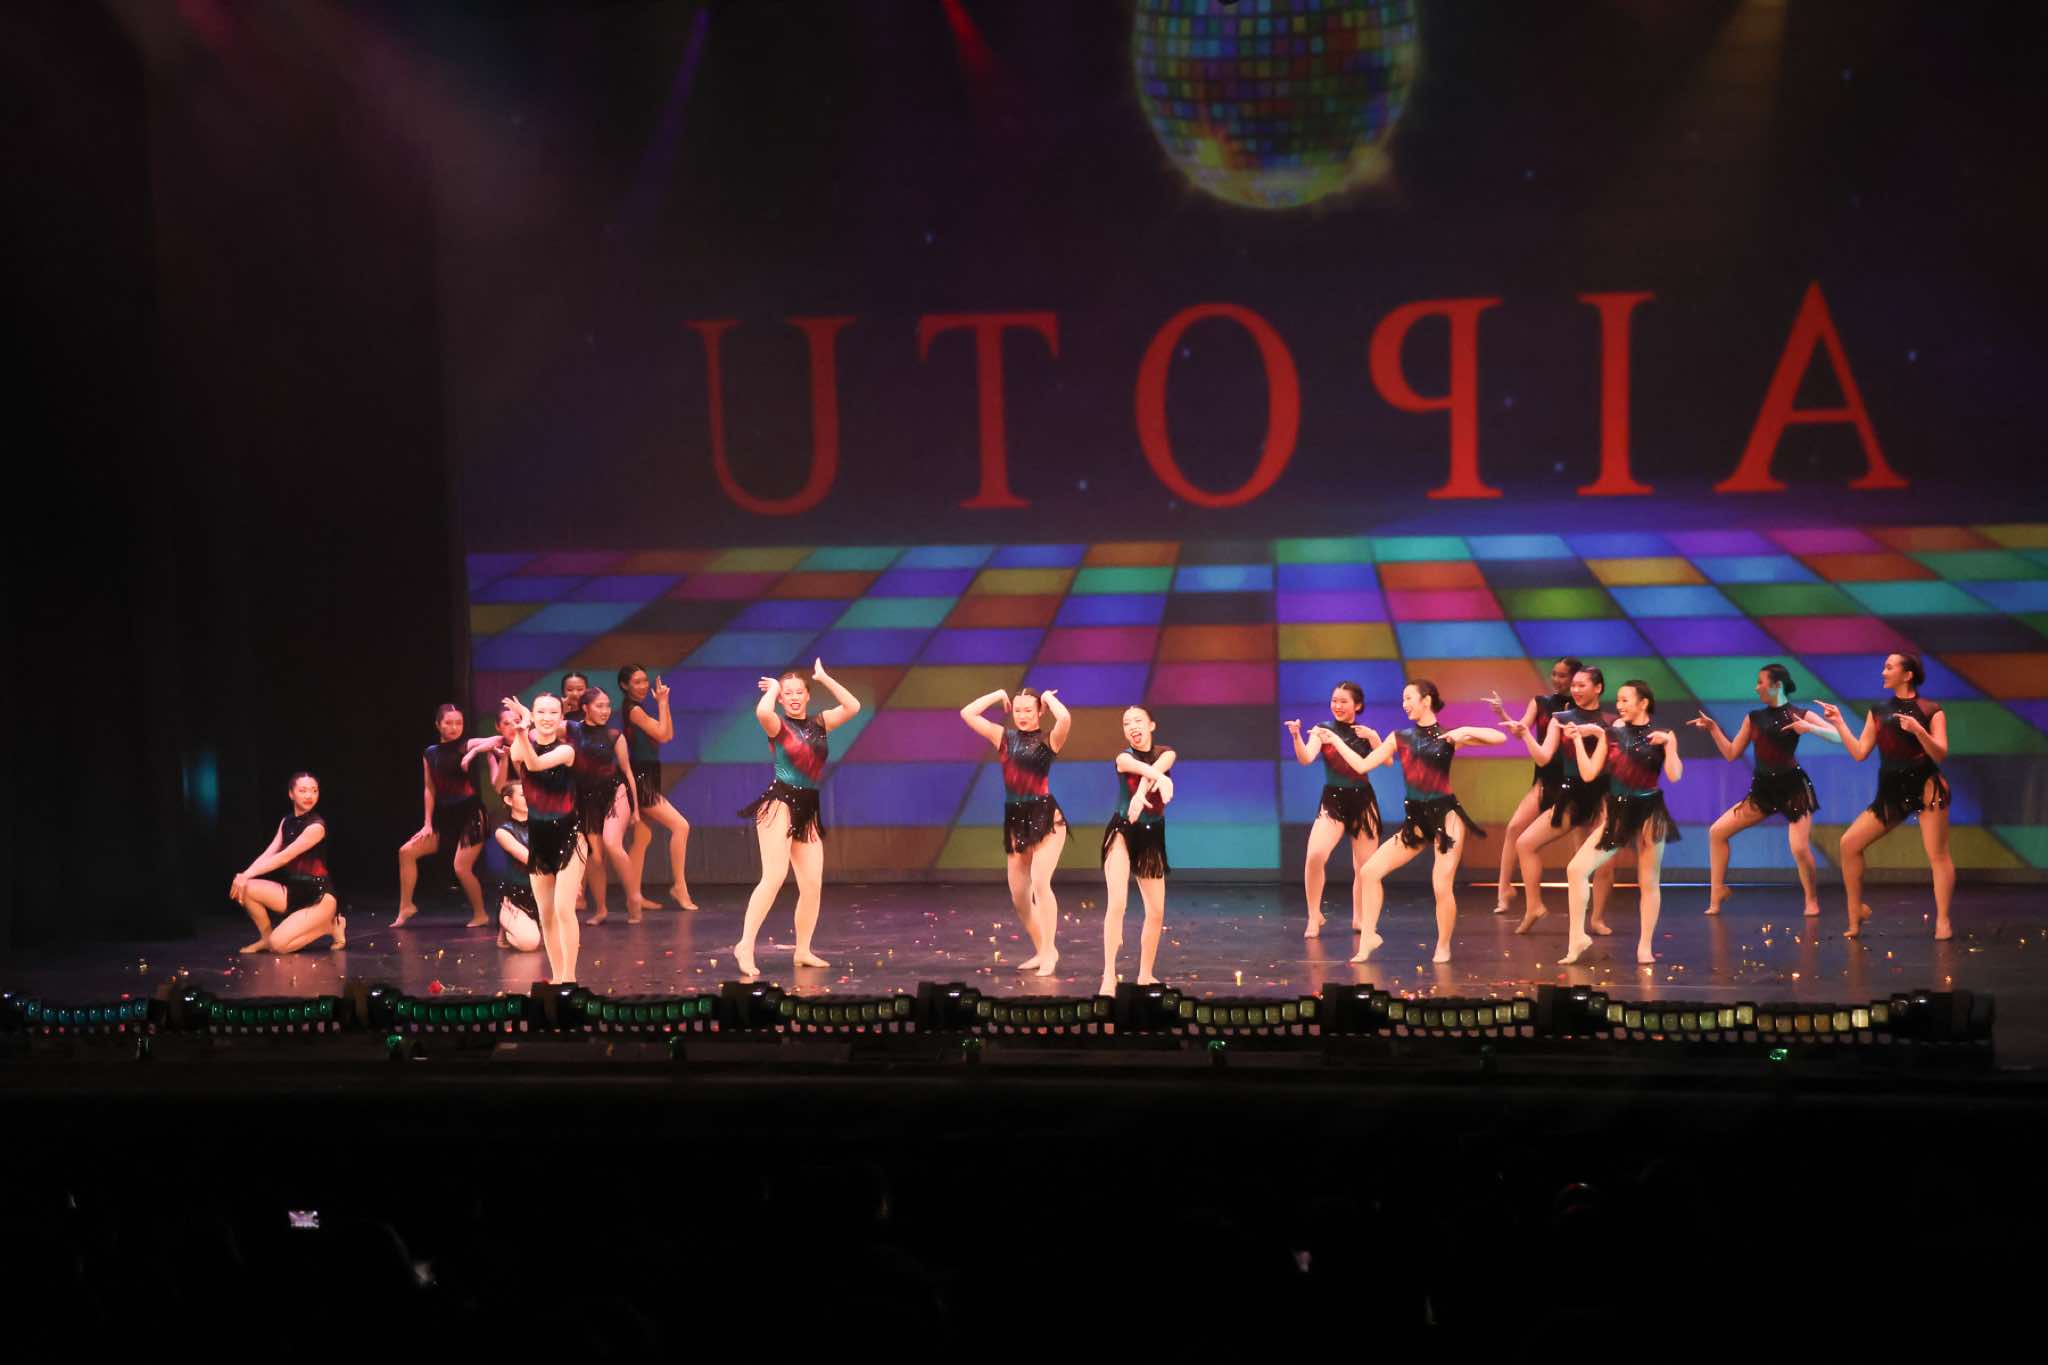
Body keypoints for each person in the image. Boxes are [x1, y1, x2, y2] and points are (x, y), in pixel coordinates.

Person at [1343, 681, 1505, 964]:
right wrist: (1336, 742)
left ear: (1426, 700)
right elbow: (1362, 765)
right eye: (1403, 699)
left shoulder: (1448, 737)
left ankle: (1443, 946)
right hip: (1416, 821)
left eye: (1409, 698)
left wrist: (1465, 731)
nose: (1404, 704)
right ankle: (1368, 937)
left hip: (1447, 817)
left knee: (1441, 885)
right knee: (1369, 872)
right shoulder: (1399, 737)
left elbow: (1499, 738)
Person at [730, 660, 861, 978]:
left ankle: (803, 950)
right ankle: (744, 945)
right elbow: (762, 712)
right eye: (787, 693)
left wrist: (824, 678)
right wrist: (773, 689)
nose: (793, 697)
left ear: (807, 695)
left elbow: (853, 706)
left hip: (808, 808)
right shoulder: (777, 725)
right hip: (780, 803)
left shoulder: (821, 723)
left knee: (812, 884)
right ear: (781, 698)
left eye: (798, 692)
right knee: (774, 877)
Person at [1818, 653, 1955, 940]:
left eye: (1889, 667)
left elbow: (1940, 753)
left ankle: (1943, 920)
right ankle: (1855, 912)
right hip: (1891, 792)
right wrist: (1840, 722)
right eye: (1884, 667)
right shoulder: (1878, 711)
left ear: (1907, 674)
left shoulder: (1931, 710)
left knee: (1938, 854)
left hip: (1927, 788)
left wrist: (1919, 731)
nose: (1883, 672)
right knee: (1849, 844)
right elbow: (1860, 753)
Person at [1687, 663, 1839, 918]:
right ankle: (1717, 892)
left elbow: (1838, 736)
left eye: (1760, 682)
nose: (1756, 688)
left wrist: (1810, 728)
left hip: (1794, 790)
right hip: (1763, 792)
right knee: (1717, 832)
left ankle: (1811, 899)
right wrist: (1713, 728)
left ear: (1777, 685)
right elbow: (1731, 753)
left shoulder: (1798, 714)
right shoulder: (1754, 718)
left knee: (1799, 848)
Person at [1559, 681, 1683, 966]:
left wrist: (1670, 746)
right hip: (1617, 811)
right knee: (1576, 869)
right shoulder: (1612, 733)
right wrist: (1577, 740)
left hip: (1649, 811)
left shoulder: (1663, 734)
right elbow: (1589, 774)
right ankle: (1577, 938)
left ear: (1643, 703)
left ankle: (1645, 946)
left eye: (1625, 700)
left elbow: (1675, 775)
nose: (1619, 705)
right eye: (1618, 700)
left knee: (1648, 881)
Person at [961, 685, 1071, 976]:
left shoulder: (1049, 740)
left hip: (1046, 818)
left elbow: (1065, 719)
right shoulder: (1004, 737)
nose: (1022, 715)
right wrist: (997, 695)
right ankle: (1043, 949)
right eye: (1018, 710)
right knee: (1020, 896)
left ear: (1039, 712)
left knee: (1040, 882)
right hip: (1016, 820)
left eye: (1028, 710)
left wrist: (1048, 699)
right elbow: (968, 713)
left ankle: (1049, 952)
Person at [1506, 665, 1618, 936]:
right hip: (1571, 795)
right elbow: (1544, 757)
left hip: (1603, 795)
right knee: (1524, 843)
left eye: (1582, 685)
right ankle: (1534, 906)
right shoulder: (1561, 719)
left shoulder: (1611, 722)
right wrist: (1526, 735)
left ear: (1598, 688)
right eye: (1574, 685)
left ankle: (1597, 918)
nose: (1575, 690)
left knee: (1604, 863)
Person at [1482, 657, 1580, 915]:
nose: (1556, 679)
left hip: (1573, 784)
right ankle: (1504, 890)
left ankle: (1581, 894)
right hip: (1545, 781)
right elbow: (1520, 730)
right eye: (1554, 674)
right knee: (1514, 828)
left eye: (1563, 675)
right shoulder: (1540, 703)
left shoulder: (1581, 710)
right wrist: (1502, 713)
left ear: (1575, 678)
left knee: (1578, 843)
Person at [1285, 682, 1382, 939]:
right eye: (1334, 701)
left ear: (1357, 705)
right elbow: (1306, 758)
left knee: (1365, 867)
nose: (1337, 706)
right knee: (1315, 854)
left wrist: (1374, 738)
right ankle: (1314, 915)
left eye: (1343, 701)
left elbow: (1386, 760)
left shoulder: (1365, 733)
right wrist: (1296, 736)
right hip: (1333, 801)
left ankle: (1359, 917)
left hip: (1363, 802)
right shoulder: (1322, 730)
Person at [504, 694, 583, 983]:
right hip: (539, 838)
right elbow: (518, 756)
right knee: (546, 914)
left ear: (562, 718)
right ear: (534, 715)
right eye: (541, 712)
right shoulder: (522, 743)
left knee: (563, 909)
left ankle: (569, 979)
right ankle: (558, 977)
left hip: (569, 836)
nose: (547, 718)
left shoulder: (566, 750)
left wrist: (525, 726)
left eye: (553, 712)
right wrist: (522, 729)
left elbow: (535, 764)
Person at [1099, 706, 1175, 997]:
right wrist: (1160, 780)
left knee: (1156, 911)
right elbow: (1142, 769)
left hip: (1151, 835)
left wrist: (1142, 793)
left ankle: (1145, 974)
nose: (1132, 726)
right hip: (1122, 831)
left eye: (1138, 721)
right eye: (1126, 723)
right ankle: (1108, 975)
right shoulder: (1123, 758)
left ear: (1151, 725)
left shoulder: (1167, 753)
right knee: (1117, 903)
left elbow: (1159, 764)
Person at [393, 704, 491, 930]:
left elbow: (496, 739)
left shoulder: (465, 745)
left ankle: (481, 914)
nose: (454, 727)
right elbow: (429, 788)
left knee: (461, 868)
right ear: (438, 725)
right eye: (449, 723)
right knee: (406, 852)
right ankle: (406, 906)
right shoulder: (430, 753)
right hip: (446, 817)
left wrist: (474, 752)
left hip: (471, 814)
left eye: (459, 723)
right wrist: (427, 823)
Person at [231, 771, 346, 954]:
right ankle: (265, 938)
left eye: (314, 790)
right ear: (291, 794)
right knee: (243, 888)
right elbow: (270, 852)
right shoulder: (287, 821)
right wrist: (243, 876)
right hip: (293, 892)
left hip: (319, 897)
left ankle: (330, 926)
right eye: (303, 790)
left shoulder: (316, 827)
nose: (309, 795)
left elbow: (283, 857)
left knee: (278, 946)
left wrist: (246, 874)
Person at [617, 665, 698, 913]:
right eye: (637, 682)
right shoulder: (634, 710)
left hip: (649, 775)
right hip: (640, 779)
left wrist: (664, 704)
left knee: (642, 838)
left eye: (645, 680)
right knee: (681, 826)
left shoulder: (637, 709)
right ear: (624, 686)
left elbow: (668, 734)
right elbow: (662, 735)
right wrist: (662, 703)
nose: (643, 686)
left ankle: (634, 896)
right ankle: (679, 887)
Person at [567, 687, 638, 926]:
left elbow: (627, 771)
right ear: (585, 708)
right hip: (587, 800)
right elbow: (541, 729)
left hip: (615, 793)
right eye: (599, 706)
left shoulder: (614, 735)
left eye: (607, 705)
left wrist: (636, 810)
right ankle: (601, 909)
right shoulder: (572, 729)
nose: (605, 710)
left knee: (612, 844)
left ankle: (633, 897)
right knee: (596, 857)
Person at [482, 779, 542, 952]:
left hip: (544, 894)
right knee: (529, 943)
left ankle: (537, 924)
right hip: (520, 896)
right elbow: (531, 860)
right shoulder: (504, 831)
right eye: (523, 794)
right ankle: (507, 922)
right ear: (509, 800)